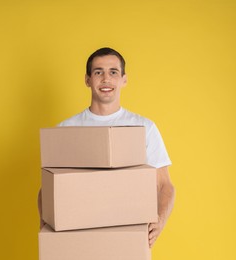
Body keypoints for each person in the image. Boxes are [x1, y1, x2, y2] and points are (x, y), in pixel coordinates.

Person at [38, 47, 175, 248]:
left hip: (127, 238)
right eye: (98, 72)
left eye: (113, 72)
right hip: (78, 240)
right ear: (87, 80)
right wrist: (47, 228)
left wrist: (160, 221)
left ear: (124, 79)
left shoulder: (144, 128)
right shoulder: (66, 130)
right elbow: (47, 190)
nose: (106, 79)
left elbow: (165, 186)